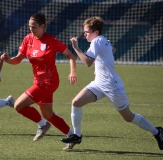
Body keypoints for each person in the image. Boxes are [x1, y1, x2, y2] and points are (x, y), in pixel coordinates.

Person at [61, 16, 163, 150]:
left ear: (95, 32)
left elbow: (87, 62)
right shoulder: (103, 40)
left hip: (112, 86)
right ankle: (77, 135)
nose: (84, 34)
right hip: (99, 83)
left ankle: (157, 132)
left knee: (128, 117)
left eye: (86, 32)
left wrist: (76, 48)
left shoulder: (97, 41)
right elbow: (112, 50)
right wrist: (101, 66)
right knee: (76, 102)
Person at [1, 13, 77, 142]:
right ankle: (72, 136)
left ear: (42, 26)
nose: (31, 29)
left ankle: (43, 125)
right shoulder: (28, 39)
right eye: (30, 27)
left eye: (34, 27)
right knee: (48, 114)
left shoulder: (51, 40)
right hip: (38, 81)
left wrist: (73, 72)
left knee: (18, 105)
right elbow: (18, 60)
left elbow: (71, 56)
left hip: (49, 82)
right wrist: (8, 60)